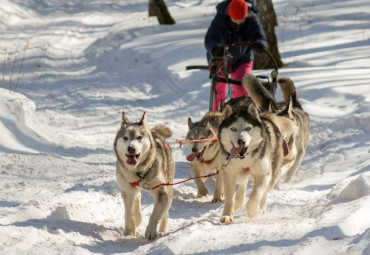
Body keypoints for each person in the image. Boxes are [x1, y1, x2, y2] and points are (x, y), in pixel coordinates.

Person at [204, 0, 268, 111]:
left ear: (246, 15)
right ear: (229, 14)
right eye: (235, 19)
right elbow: (210, 39)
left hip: (243, 59)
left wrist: (260, 44)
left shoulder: (251, 19)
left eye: (241, 19)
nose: (238, 22)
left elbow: (260, 37)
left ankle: (239, 114)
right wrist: (216, 48)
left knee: (241, 86)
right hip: (221, 57)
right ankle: (216, 114)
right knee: (219, 87)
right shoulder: (220, 19)